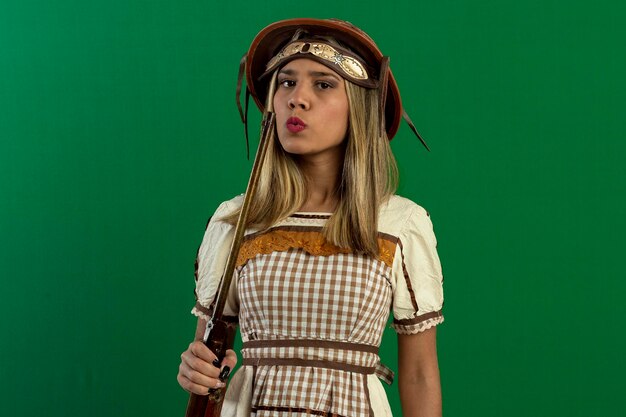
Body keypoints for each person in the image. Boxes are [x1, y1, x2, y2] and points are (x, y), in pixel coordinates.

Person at [177, 18, 445, 417]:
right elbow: (209, 351)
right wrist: (196, 370)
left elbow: (420, 374)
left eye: (323, 83)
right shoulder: (236, 219)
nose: (296, 99)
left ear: (359, 105)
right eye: (286, 82)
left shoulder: (399, 223)